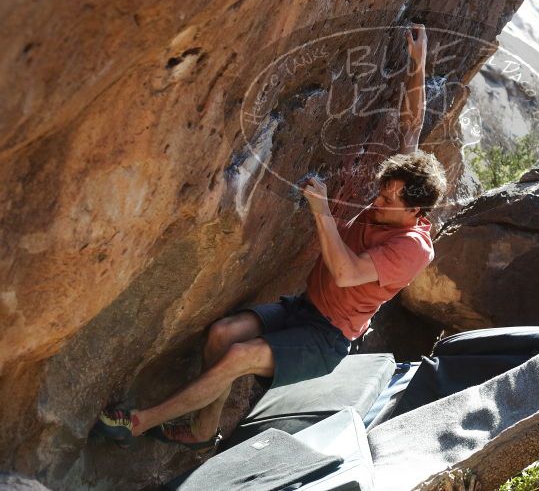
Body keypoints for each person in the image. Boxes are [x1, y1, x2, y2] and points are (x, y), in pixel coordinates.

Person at [94, 23, 446, 451]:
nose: (378, 202)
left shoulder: (412, 248)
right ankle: (204, 432)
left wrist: (322, 212)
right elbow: (412, 127)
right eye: (381, 190)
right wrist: (418, 64)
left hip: (326, 339)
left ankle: (135, 422)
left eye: (389, 200)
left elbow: (346, 272)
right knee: (223, 335)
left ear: (416, 210)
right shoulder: (399, 190)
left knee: (239, 357)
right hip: (305, 307)